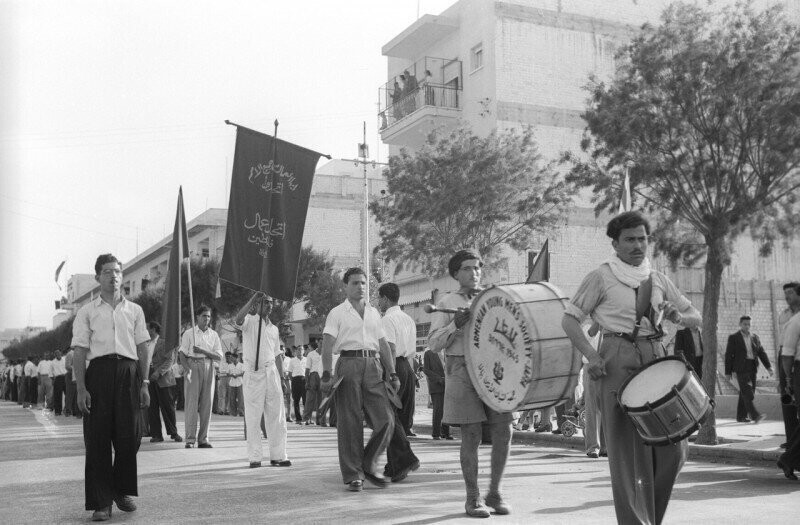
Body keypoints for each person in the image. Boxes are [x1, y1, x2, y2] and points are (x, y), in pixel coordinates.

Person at [561, 211, 702, 525]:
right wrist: (592, 357)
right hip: (616, 356)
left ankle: (651, 516)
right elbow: (569, 320)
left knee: (674, 449)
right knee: (627, 454)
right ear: (615, 243)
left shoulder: (658, 277)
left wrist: (678, 318)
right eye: (630, 239)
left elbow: (695, 316)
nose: (638, 245)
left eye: (643, 238)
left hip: (655, 355)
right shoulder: (601, 276)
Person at [429, 250, 514, 518]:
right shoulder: (446, 302)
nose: (474, 273)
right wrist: (455, 324)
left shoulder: (491, 297)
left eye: (477, 268)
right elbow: (432, 343)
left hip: (493, 367)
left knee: (504, 430)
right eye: (467, 268)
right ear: (455, 274)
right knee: (472, 435)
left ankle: (495, 492)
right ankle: (473, 498)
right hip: (461, 368)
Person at [71, 253, 151, 521]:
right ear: (97, 278)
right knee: (98, 440)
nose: (114, 276)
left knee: (132, 436)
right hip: (100, 373)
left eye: (117, 271)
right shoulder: (87, 311)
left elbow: (143, 347)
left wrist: (145, 382)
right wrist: (81, 388)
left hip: (129, 373)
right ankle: (101, 502)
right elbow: (80, 351)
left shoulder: (135, 310)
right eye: (107, 272)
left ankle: (119, 488)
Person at [321, 267, 399, 492]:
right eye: (355, 283)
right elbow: (327, 344)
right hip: (348, 364)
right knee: (349, 422)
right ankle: (353, 474)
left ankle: (368, 462)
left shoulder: (375, 313)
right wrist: (326, 374)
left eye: (363, 283)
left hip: (373, 366)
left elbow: (383, 345)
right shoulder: (337, 313)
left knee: (385, 419)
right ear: (345, 286)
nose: (360, 287)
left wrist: (392, 373)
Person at [235, 292, 290, 468]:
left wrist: (282, 379)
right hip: (253, 373)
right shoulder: (250, 321)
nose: (269, 305)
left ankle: (278, 455)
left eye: (271, 303)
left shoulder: (273, 329)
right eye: (265, 302)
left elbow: (278, 355)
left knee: (277, 416)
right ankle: (255, 457)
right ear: (257, 305)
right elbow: (238, 319)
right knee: (253, 417)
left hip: (271, 372)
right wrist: (252, 298)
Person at [377, 283, 421, 482]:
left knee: (388, 417)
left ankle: (406, 460)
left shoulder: (387, 319)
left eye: (379, 298)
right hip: (408, 367)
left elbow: (391, 349)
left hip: (394, 367)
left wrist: (391, 375)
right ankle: (393, 465)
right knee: (400, 418)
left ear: (385, 298)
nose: (378, 303)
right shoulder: (408, 319)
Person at [178, 305, 223, 448]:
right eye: (204, 315)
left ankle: (203, 438)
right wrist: (187, 369)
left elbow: (218, 356)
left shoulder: (214, 335)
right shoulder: (189, 333)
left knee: (207, 404)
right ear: (197, 317)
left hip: (209, 366)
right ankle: (190, 439)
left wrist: (203, 350)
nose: (206, 319)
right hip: (193, 365)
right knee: (192, 404)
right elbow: (182, 354)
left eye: (209, 316)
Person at [725, 315, 773, 423]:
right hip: (741, 368)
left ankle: (741, 416)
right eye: (745, 324)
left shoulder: (755, 337)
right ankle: (755, 416)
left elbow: (761, 352)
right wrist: (728, 372)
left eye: (749, 324)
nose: (747, 326)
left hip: (752, 366)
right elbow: (729, 355)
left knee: (748, 392)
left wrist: (769, 367)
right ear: (740, 324)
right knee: (747, 392)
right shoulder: (734, 338)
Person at [146, 321, 182, 443]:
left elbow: (170, 360)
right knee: (152, 407)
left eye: (147, 328)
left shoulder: (164, 342)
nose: (146, 331)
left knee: (168, 407)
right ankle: (156, 434)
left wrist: (158, 372)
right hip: (149, 378)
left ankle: (174, 433)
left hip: (164, 378)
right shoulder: (146, 343)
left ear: (153, 329)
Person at [778, 282, 800, 446]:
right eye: (785, 293)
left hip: (795, 355)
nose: (787, 296)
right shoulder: (783, 315)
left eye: (791, 292)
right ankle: (790, 439)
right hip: (784, 355)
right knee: (787, 397)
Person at [422, 347, 452, 440]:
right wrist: (439, 379)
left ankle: (446, 433)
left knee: (447, 410)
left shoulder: (447, 352)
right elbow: (426, 370)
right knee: (438, 410)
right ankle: (436, 433)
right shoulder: (428, 353)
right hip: (436, 385)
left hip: (448, 385)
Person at [303, 339, 323, 425]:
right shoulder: (311, 354)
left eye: (323, 343)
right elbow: (307, 368)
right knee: (310, 399)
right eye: (320, 343)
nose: (322, 344)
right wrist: (307, 381)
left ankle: (319, 420)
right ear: (317, 343)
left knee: (321, 399)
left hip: (322, 376)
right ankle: (306, 418)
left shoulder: (327, 354)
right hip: (313, 376)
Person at [288, 346, 307, 424]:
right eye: (298, 349)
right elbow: (289, 373)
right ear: (296, 351)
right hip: (295, 380)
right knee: (296, 400)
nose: (300, 351)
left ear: (304, 351)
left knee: (305, 400)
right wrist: (293, 381)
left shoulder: (306, 359)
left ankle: (306, 417)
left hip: (304, 380)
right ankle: (298, 418)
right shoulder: (292, 360)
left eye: (301, 349)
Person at [228, 353, 244, 417]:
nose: (231, 359)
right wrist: (232, 375)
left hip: (240, 383)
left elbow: (243, 373)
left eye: (232, 358)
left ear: (236, 358)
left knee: (240, 398)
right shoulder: (229, 365)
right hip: (232, 383)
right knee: (232, 398)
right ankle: (233, 412)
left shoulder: (241, 365)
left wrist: (237, 375)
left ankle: (241, 412)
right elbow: (227, 373)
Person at [51, 350, 67, 415]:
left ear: (61, 353)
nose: (58, 354)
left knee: (68, 394)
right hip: (58, 378)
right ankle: (58, 411)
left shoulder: (65, 359)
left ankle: (67, 409)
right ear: (55, 355)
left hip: (65, 377)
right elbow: (50, 373)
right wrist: (53, 380)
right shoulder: (52, 362)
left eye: (59, 353)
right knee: (57, 395)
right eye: (56, 353)